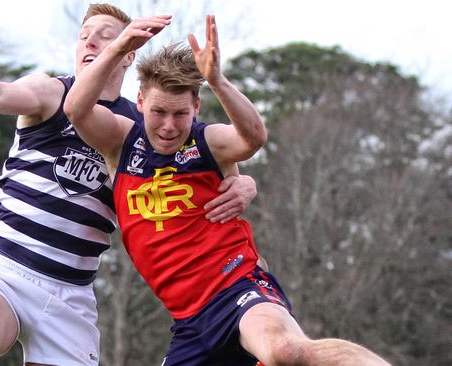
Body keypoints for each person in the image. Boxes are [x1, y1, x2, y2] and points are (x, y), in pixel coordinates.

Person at [0, 4, 259, 366]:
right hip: (8, 270)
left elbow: (209, 156)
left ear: (129, 54)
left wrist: (245, 184)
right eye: (84, 37)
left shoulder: (143, 125)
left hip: (72, 294)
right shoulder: (50, 93)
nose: (91, 42)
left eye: (105, 36)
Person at [64, 13, 392, 366]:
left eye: (180, 114)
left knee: (284, 350)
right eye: (159, 112)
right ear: (141, 101)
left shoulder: (208, 142)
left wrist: (217, 79)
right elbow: (76, 109)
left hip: (238, 288)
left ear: (196, 108)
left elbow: (253, 138)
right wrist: (119, 47)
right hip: (190, 323)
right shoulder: (122, 142)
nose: (169, 126)